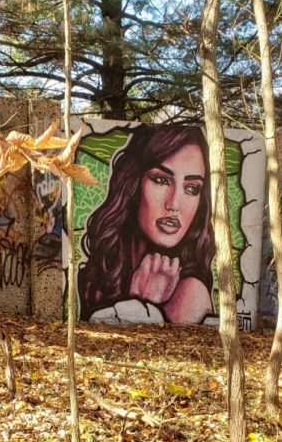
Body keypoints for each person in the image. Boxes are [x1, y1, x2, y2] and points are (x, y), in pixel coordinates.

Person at [78, 124, 215, 324]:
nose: (174, 204)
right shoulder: (98, 272)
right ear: (132, 184)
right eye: (161, 179)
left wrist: (142, 304)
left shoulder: (190, 293)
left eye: (192, 188)